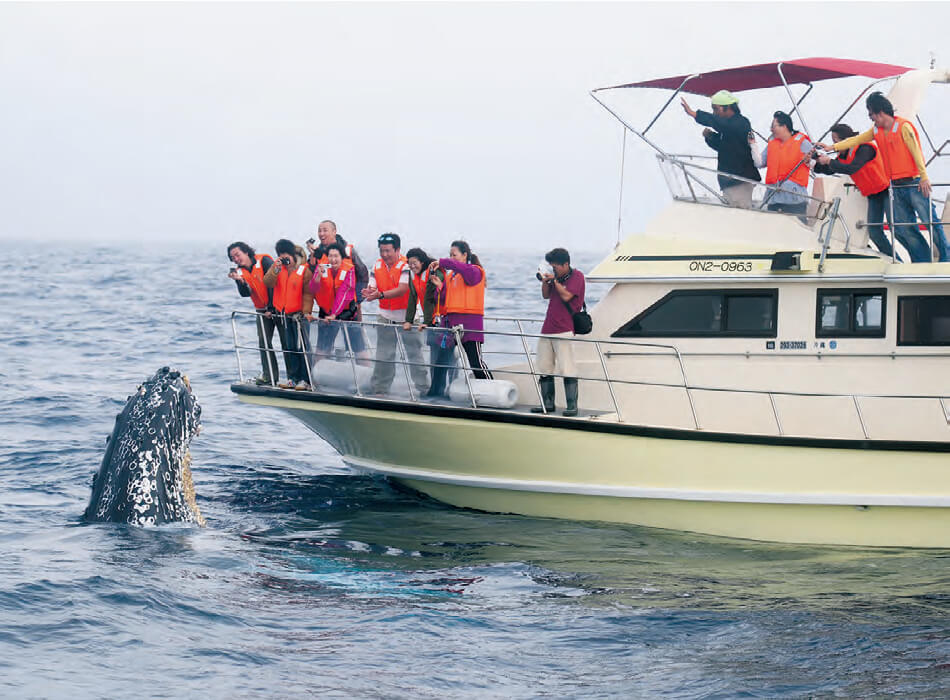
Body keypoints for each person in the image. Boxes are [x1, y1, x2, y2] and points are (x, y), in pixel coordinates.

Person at [817, 92, 949, 263]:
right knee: (905, 229)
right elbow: (855, 140)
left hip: (915, 183)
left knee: (930, 222)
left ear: (880, 112)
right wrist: (832, 147)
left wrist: (924, 177)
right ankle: (921, 261)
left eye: (871, 114)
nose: (871, 118)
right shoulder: (876, 131)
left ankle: (947, 259)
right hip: (896, 186)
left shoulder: (903, 127)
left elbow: (916, 151)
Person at [812, 124, 897, 259]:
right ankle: (893, 259)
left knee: (897, 228)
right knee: (875, 231)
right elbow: (830, 169)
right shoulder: (844, 155)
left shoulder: (864, 148)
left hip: (887, 190)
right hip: (873, 193)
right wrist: (814, 160)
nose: (835, 146)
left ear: (846, 140)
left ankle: (910, 259)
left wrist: (828, 161)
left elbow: (852, 168)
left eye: (836, 142)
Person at [362, 233, 429, 395]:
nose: (384, 255)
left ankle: (424, 389)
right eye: (382, 251)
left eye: (388, 251)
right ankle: (380, 389)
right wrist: (369, 292)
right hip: (385, 317)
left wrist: (381, 294)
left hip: (408, 318)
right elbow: (372, 286)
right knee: (384, 356)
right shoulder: (377, 265)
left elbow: (403, 288)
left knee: (415, 356)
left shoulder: (407, 266)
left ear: (397, 250)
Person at [428, 240, 492, 392]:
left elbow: (460, 268)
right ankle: (435, 392)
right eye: (449, 255)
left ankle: (491, 389)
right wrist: (440, 287)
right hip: (451, 324)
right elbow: (444, 300)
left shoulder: (475, 271)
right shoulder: (451, 276)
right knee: (441, 361)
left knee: (475, 362)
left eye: (454, 255)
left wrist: (444, 262)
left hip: (470, 325)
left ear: (465, 255)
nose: (451, 258)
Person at [681, 90, 760, 208]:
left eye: (715, 109)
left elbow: (718, 122)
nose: (714, 113)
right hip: (731, 181)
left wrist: (695, 114)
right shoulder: (729, 127)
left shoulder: (740, 122)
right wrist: (710, 137)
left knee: (739, 216)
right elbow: (725, 147)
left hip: (739, 180)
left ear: (727, 108)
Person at [531, 248, 586, 417]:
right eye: (551, 267)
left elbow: (567, 296)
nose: (553, 270)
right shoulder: (557, 278)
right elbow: (546, 296)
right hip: (548, 328)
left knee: (567, 367)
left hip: (564, 328)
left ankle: (572, 406)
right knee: (544, 367)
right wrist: (545, 281)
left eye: (555, 267)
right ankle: (548, 404)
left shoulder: (577, 276)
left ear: (566, 264)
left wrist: (554, 281)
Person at [263, 239, 314, 390]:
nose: (286, 259)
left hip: (299, 316)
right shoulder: (279, 270)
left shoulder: (304, 270)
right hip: (285, 315)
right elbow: (268, 282)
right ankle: (292, 378)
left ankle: (306, 379)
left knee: (301, 349)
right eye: (281, 256)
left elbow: (308, 294)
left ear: (293, 255)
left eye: (287, 256)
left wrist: (306, 313)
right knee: (289, 348)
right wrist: (275, 268)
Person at [227, 242, 280, 386]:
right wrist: (240, 282)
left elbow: (273, 283)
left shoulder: (264, 261)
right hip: (262, 311)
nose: (236, 259)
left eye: (237, 255)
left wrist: (271, 307)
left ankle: (296, 378)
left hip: (278, 308)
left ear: (246, 252)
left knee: (288, 344)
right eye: (233, 258)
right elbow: (245, 293)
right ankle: (270, 376)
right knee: (264, 342)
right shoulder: (240, 271)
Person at [403, 248, 449, 397]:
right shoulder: (413, 275)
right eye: (409, 264)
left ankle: (448, 388)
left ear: (422, 262)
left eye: (414, 263)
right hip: (429, 323)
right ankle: (436, 390)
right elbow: (412, 297)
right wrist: (408, 320)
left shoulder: (434, 272)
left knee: (447, 357)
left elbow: (433, 298)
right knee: (434, 355)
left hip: (442, 320)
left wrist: (429, 322)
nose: (412, 266)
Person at [751, 111, 814, 221]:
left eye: (773, 126)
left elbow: (816, 162)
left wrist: (809, 161)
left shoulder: (802, 142)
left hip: (794, 199)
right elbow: (759, 163)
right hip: (774, 198)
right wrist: (753, 144)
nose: (771, 129)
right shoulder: (772, 144)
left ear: (784, 126)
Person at [310, 242, 366, 359]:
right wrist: (317, 277)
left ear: (342, 257)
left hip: (347, 312)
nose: (333, 259)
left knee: (358, 348)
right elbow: (312, 289)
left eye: (336, 256)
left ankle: (368, 374)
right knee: (322, 347)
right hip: (327, 312)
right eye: (330, 256)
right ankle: (317, 374)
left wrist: (335, 314)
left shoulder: (349, 270)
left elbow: (344, 293)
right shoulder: (321, 267)